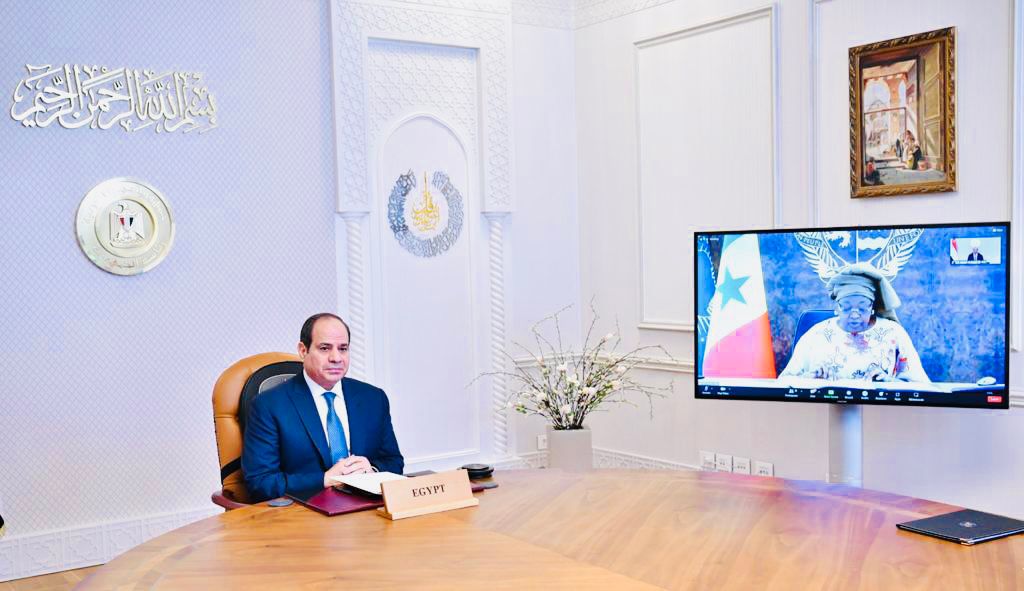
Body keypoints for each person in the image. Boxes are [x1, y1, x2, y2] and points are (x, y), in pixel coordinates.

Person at [243, 313, 403, 502]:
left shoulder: (373, 398)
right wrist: (325, 479)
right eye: (325, 348)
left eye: (343, 349)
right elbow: (261, 483)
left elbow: (394, 462)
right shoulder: (269, 405)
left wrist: (372, 470)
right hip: (305, 512)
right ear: (303, 350)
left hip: (366, 508)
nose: (336, 358)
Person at [780, 263, 929, 382]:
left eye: (862, 308)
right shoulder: (816, 335)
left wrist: (890, 383)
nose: (855, 315)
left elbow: (921, 386)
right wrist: (809, 380)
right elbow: (785, 382)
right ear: (837, 307)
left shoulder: (893, 333)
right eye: (846, 307)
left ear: (872, 307)